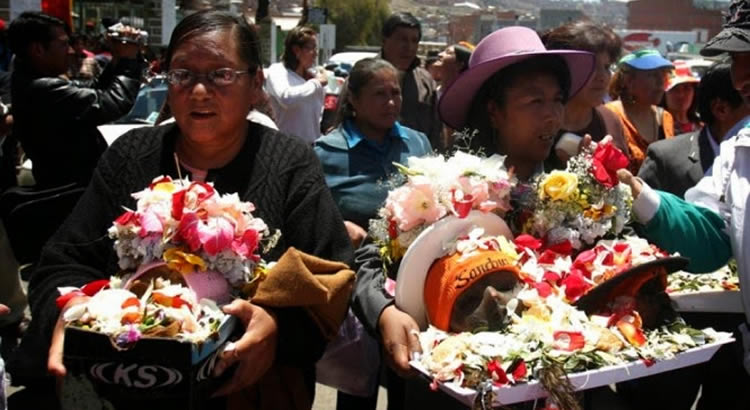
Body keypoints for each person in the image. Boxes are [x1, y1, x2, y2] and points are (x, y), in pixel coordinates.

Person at [6, 10, 353, 409]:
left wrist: (278, 329)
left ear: (256, 83)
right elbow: (63, 262)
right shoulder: (131, 155)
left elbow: (330, 276)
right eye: (182, 74)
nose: (199, 91)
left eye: (221, 74)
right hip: (122, 389)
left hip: (245, 390)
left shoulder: (291, 163)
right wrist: (69, 314)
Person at [351, 27, 594, 410]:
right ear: (494, 111)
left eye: (557, 100)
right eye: (534, 100)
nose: (552, 114)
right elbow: (369, 261)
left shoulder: (579, 198)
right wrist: (384, 313)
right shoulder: (442, 188)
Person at [616, 1, 750, 409]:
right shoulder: (739, 148)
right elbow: (710, 236)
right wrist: (645, 199)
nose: (740, 76)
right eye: (734, 59)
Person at [314, 57, 432, 410]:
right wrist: (337, 228)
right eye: (379, 94)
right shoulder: (324, 153)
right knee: (356, 391)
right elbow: (309, 216)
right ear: (354, 100)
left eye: (395, 92)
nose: (391, 102)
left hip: (412, 281)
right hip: (354, 286)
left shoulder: (418, 143)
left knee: (409, 376)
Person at [7, 11, 144, 188]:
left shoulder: (32, 82)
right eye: (63, 44)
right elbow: (113, 103)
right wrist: (128, 60)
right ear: (38, 50)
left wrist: (117, 59)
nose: (71, 51)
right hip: (72, 196)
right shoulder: (40, 89)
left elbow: (94, 91)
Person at [639, 60, 750, 197]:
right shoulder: (665, 158)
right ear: (721, 109)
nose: (682, 95)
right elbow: (640, 213)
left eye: (687, 88)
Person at [541, 20, 628, 170]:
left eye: (606, 67)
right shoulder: (537, 121)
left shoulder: (610, 119)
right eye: (591, 66)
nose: (602, 76)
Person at [605, 48, 675, 173]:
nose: (660, 82)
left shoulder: (665, 118)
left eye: (663, 75)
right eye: (652, 75)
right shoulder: (611, 115)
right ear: (629, 81)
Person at [380, 12, 442, 151]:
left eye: (414, 41)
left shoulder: (426, 82)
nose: (409, 47)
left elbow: (436, 132)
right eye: (402, 39)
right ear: (384, 41)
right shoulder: (363, 76)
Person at [265, 25, 328, 145]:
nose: (315, 54)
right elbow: (286, 98)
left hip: (311, 148)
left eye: (317, 48)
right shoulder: (277, 71)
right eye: (311, 48)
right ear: (296, 50)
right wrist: (316, 83)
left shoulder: (313, 75)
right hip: (285, 148)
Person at [661, 60, 701, 134]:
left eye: (686, 88)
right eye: (674, 89)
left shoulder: (702, 126)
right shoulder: (658, 127)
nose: (681, 95)